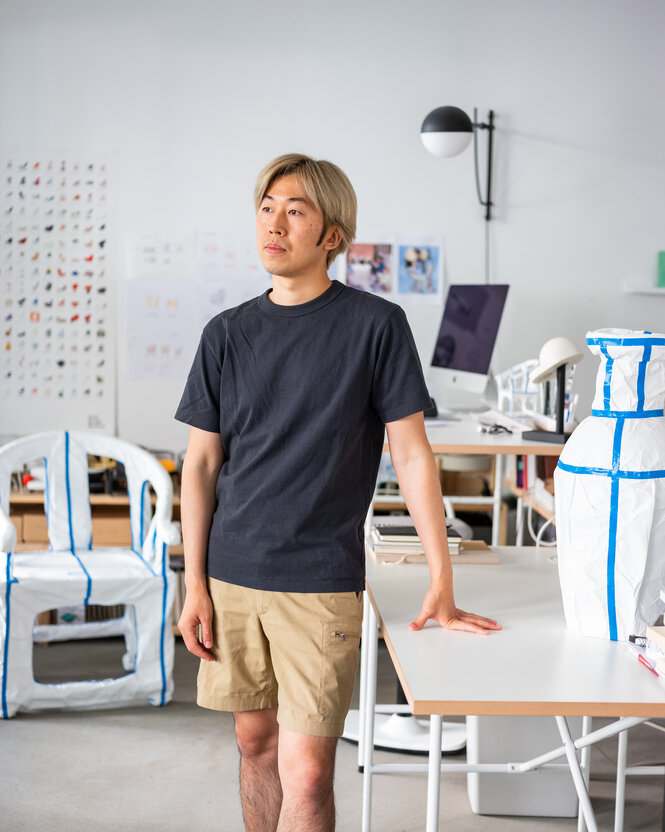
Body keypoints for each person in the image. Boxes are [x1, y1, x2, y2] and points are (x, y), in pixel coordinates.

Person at [174, 152, 501, 832]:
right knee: (254, 745)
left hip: (319, 581)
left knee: (309, 772)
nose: (274, 223)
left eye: (295, 211)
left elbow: (411, 455)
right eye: (267, 208)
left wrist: (440, 575)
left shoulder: (374, 327)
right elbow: (201, 465)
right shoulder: (225, 334)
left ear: (331, 235)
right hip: (232, 576)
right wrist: (193, 584)